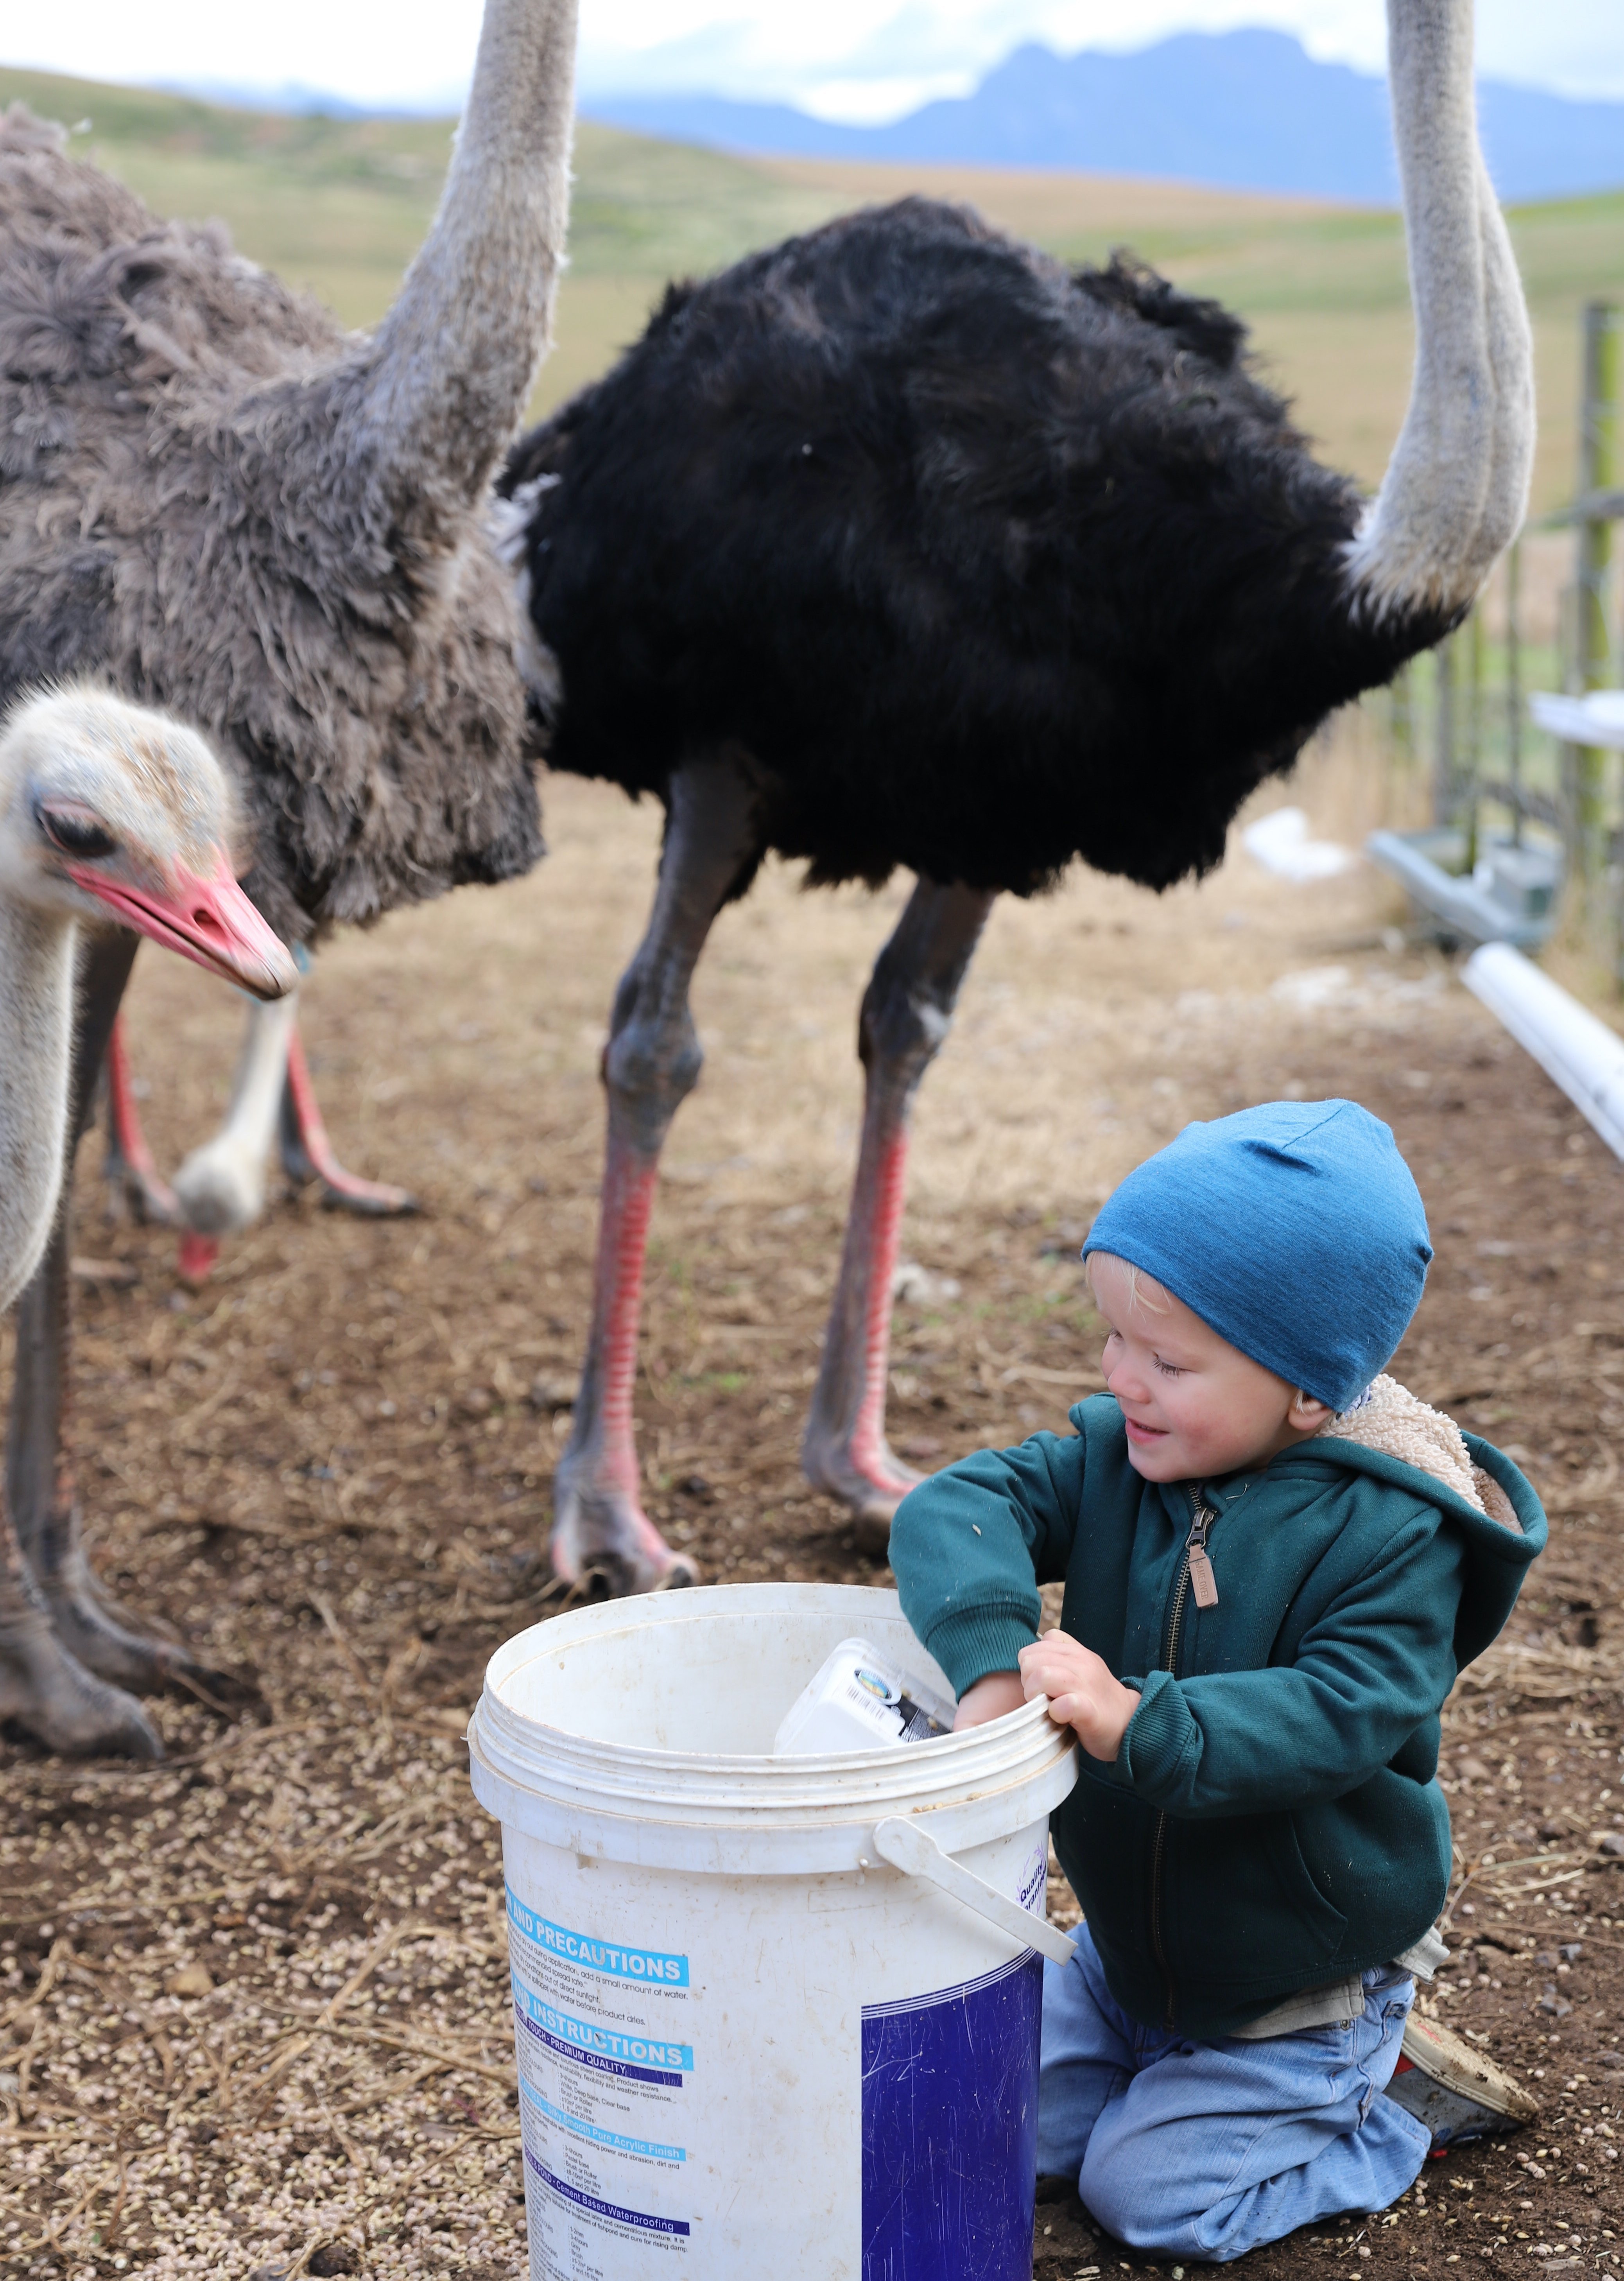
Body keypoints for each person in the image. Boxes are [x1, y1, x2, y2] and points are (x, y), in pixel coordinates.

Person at [891, 1099, 1545, 2263]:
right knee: (993, 2129)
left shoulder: (1392, 1536)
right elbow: (959, 1504)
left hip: (1286, 1987)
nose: (1121, 1379)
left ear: (1305, 1388)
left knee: (1147, 2201)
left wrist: (1142, 1721)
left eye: (1168, 1359)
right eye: (1113, 1339)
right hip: (1129, 1959)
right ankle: (1167, 2071)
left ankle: (1379, 2110)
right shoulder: (1119, 1461)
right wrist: (991, 1660)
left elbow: (1339, 1713)